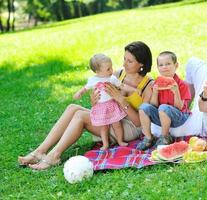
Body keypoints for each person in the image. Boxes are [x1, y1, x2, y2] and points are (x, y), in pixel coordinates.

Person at [18, 41, 153, 170]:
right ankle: (39, 152)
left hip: (130, 127)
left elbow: (140, 122)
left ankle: (54, 156)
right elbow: (102, 102)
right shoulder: (118, 74)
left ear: (141, 64)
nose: (124, 64)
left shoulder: (148, 85)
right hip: (111, 117)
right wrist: (95, 101)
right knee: (72, 107)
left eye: (129, 61)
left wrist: (121, 100)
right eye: (124, 59)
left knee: (81, 116)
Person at [137, 51, 191, 150]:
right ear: (157, 68)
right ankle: (149, 137)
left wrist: (176, 92)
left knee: (163, 107)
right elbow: (153, 105)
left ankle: (165, 136)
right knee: (143, 107)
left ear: (176, 65)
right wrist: (155, 92)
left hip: (179, 117)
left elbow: (180, 107)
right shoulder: (157, 83)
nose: (164, 67)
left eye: (168, 64)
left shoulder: (183, 85)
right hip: (162, 115)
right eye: (161, 65)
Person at [73, 53, 130, 149]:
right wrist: (79, 93)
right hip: (100, 107)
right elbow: (85, 88)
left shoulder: (111, 78)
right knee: (103, 127)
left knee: (117, 124)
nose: (111, 70)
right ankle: (105, 144)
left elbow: (122, 86)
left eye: (111, 67)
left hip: (112, 105)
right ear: (97, 71)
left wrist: (133, 90)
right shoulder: (93, 80)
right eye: (108, 69)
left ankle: (120, 141)